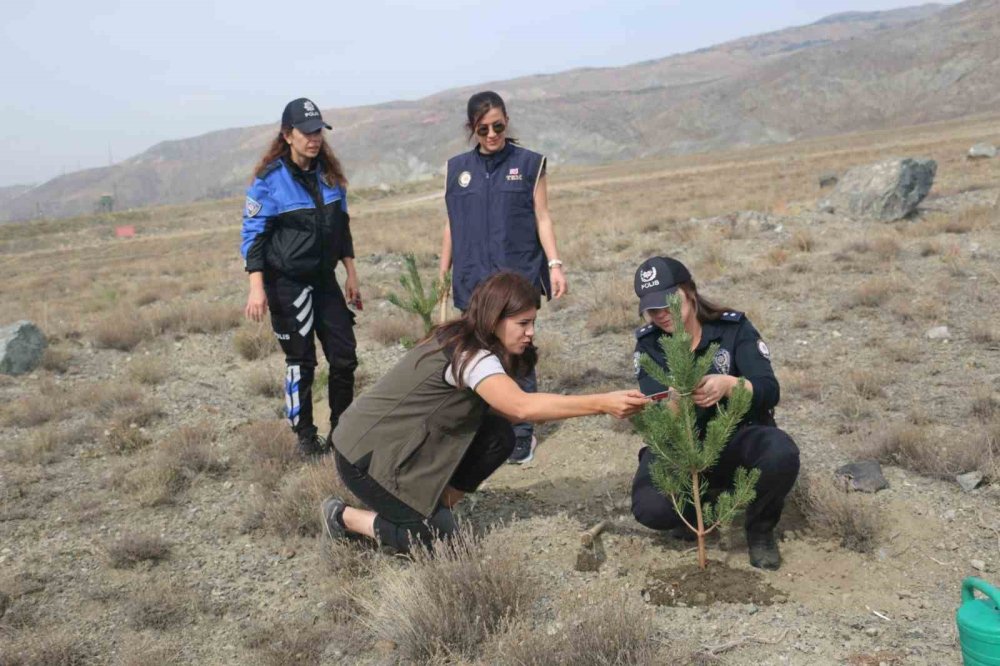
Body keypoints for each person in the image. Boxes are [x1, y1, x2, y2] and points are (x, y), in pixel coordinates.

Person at [320, 272, 647, 553]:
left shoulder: (466, 337)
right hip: (364, 458)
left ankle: (435, 506)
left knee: (497, 435)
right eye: (522, 323)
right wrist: (602, 403)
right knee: (442, 544)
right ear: (495, 318)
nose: (530, 332)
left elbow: (514, 413)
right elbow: (522, 406)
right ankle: (343, 517)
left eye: (533, 322)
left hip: (393, 449)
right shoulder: (471, 355)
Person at [629, 256, 800, 570]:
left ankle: (760, 530)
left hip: (737, 438)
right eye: (653, 309)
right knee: (651, 508)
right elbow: (657, 417)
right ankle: (698, 509)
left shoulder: (732, 329)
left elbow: (769, 389)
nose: (663, 315)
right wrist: (677, 399)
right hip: (681, 447)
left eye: (670, 302)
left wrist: (731, 385)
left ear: (690, 291)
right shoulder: (650, 346)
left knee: (781, 452)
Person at [439, 91, 568, 465]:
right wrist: (442, 272)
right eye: (483, 129)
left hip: (517, 277)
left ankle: (521, 437)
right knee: (476, 357)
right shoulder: (457, 169)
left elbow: (542, 216)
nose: (492, 134)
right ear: (472, 129)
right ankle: (482, 433)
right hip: (473, 279)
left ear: (507, 122)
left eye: (498, 126)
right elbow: (451, 224)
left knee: (518, 352)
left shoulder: (529, 164)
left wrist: (555, 264)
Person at [240, 98, 360, 458]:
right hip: (286, 284)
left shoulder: (330, 176)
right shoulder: (269, 182)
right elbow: (253, 237)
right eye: (306, 132)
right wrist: (256, 288)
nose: (314, 138)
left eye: (318, 130)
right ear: (287, 135)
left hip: (325, 280)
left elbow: (343, 228)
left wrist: (352, 274)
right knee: (301, 361)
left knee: (345, 357)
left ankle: (342, 432)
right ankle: (306, 438)